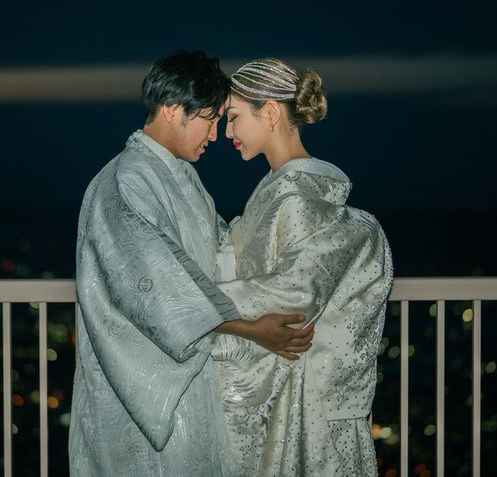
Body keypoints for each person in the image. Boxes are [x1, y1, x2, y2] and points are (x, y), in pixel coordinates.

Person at [68, 51, 314, 476]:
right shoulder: (126, 180)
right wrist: (251, 330)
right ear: (171, 109)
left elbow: (220, 251)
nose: (216, 135)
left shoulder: (179, 175)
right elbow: (156, 286)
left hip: (190, 378)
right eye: (209, 119)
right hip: (143, 389)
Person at [212, 58, 394, 476]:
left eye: (234, 117)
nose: (227, 133)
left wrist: (189, 301)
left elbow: (291, 294)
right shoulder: (285, 192)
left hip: (304, 404)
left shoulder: (297, 199)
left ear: (270, 113)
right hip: (297, 392)